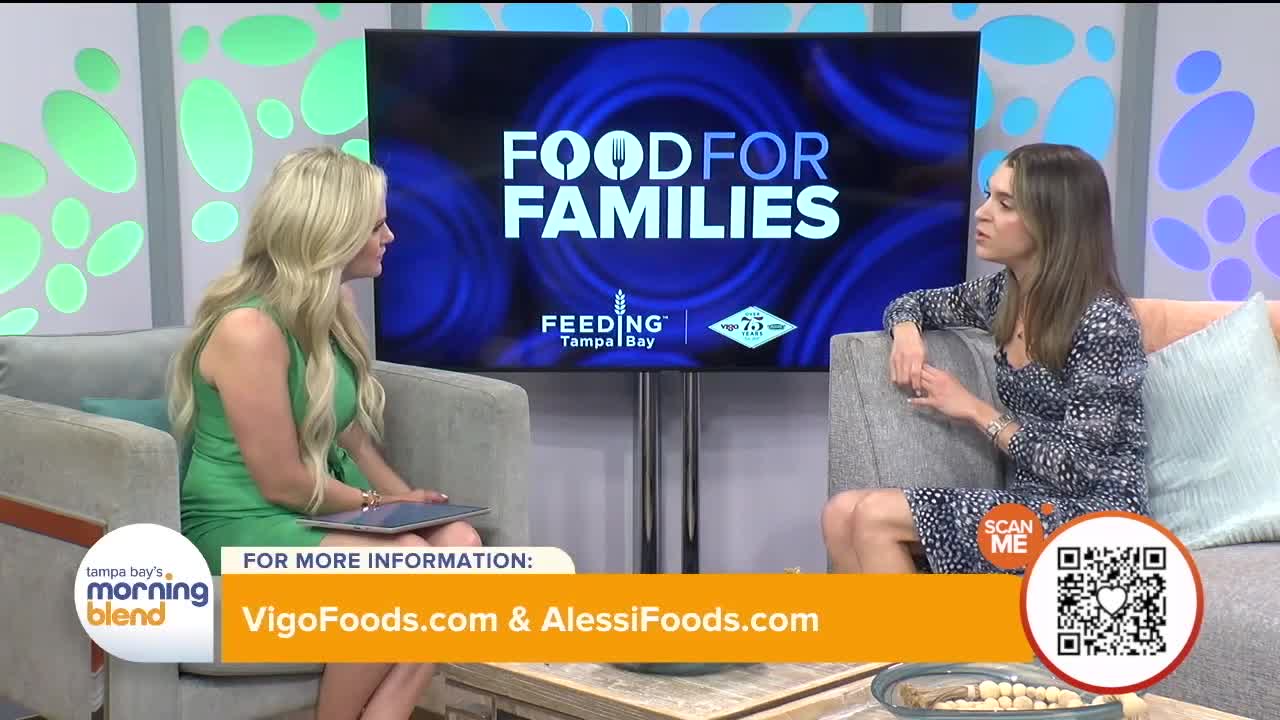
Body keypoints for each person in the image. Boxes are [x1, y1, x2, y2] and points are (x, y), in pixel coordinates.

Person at [167, 146, 479, 719]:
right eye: (376, 225)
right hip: (243, 521)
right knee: (405, 562)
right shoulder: (248, 330)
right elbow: (283, 483)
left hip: (317, 510)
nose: (389, 236)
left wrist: (407, 501)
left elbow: (351, 437)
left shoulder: (333, 304)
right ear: (330, 232)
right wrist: (379, 507)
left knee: (459, 545)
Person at [820, 142, 1150, 575]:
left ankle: (908, 625)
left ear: (1053, 220)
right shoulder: (1001, 294)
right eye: (988, 195)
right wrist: (906, 334)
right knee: (840, 513)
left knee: (874, 516)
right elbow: (910, 303)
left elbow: (1080, 469)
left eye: (1005, 204)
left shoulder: (1103, 321)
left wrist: (976, 411)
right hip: (1031, 504)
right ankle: (885, 625)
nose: (982, 213)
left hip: (1096, 523)